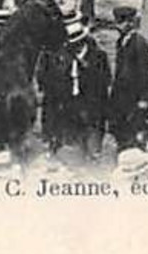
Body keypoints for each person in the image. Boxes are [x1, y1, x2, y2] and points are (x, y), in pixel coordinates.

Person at [39, 19, 109, 162]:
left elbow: (104, 82)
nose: (73, 48)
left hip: (90, 106)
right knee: (70, 147)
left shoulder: (98, 56)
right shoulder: (63, 56)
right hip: (69, 106)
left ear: (83, 41)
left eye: (76, 44)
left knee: (91, 146)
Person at [108, 6, 148, 154]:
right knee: (123, 136)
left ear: (131, 23)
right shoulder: (121, 41)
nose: (120, 26)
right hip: (123, 99)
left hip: (137, 100)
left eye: (124, 22)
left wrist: (144, 100)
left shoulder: (139, 44)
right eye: (118, 22)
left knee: (138, 138)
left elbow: (147, 76)